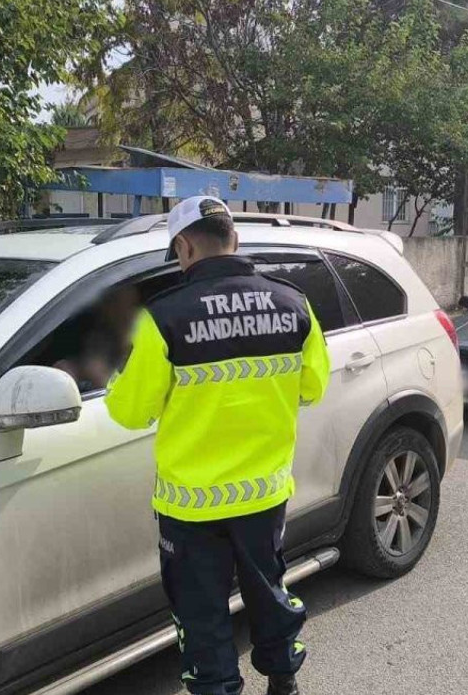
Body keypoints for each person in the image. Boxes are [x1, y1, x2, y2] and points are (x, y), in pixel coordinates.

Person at [106, 196, 329, 695]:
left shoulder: (162, 319)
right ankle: (284, 680)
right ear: (235, 238)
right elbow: (314, 387)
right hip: (264, 493)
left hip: (191, 506)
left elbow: (128, 411)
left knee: (201, 610)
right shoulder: (293, 303)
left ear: (184, 247)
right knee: (269, 591)